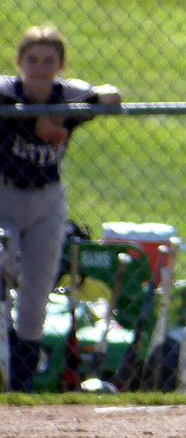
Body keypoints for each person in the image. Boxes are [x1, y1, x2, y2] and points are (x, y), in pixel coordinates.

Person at [1, 24, 121, 392]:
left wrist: (93, 96)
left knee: (37, 292)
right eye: (32, 60)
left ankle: (22, 387)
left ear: (61, 64)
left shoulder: (66, 95)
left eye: (48, 61)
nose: (39, 69)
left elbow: (111, 97)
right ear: (20, 62)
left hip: (47, 199)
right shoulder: (7, 92)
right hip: (3, 195)